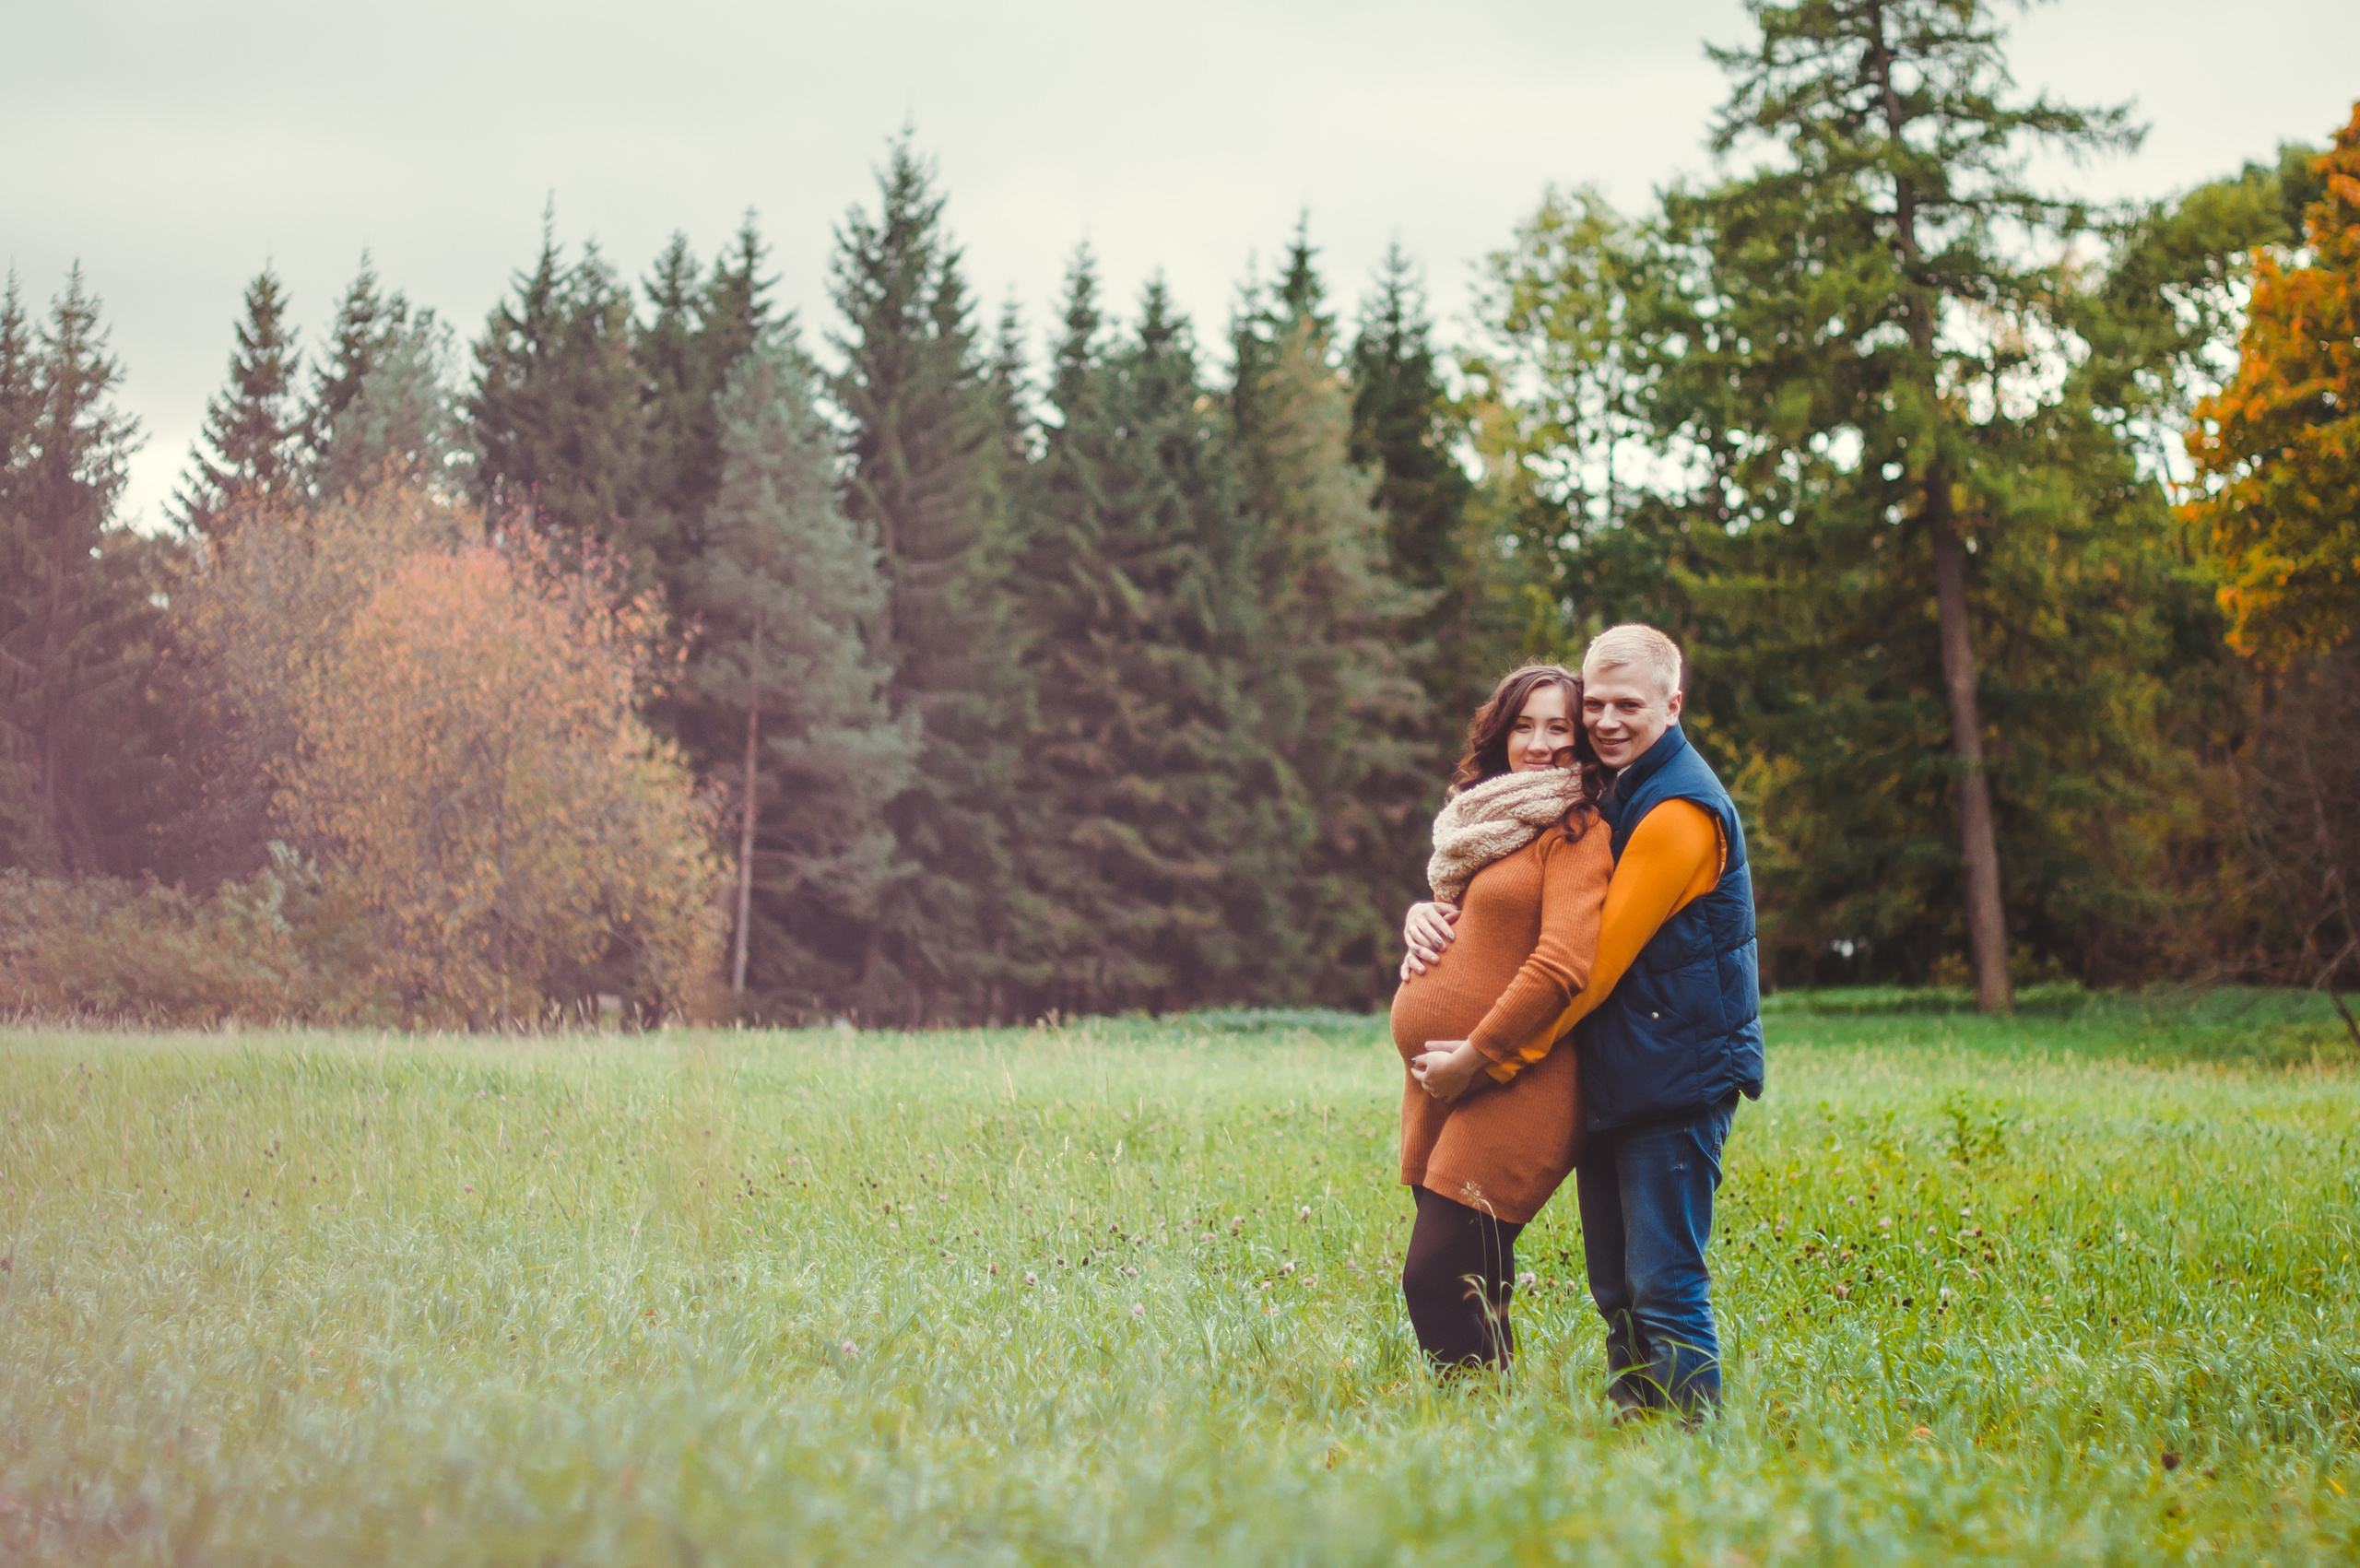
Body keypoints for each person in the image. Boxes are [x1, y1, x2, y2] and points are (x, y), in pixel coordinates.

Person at [1403, 623, 1762, 1416]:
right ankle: (1636, 1425)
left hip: (1676, 1075)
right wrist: (1426, 921)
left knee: (1664, 1282)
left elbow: (1587, 967)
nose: (1604, 720)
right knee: (1618, 1286)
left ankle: (1686, 1449)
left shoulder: (1677, 812)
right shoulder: (1617, 785)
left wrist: (1485, 1059)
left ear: (1673, 705)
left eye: (1626, 704)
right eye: (1593, 703)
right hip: (1618, 1070)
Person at [1389, 663, 1615, 1373]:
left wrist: (1472, 1057)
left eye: (1560, 727)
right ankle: (1489, 1446)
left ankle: (1480, 1429)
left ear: (1582, 741)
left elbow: (1561, 964)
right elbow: (1471, 918)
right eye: (1526, 724)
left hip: (1518, 1081)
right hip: (1448, 1083)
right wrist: (1419, 913)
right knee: (1475, 1280)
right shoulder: (1487, 822)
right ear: (1501, 732)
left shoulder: (1578, 829)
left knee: (1434, 1274)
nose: (1542, 742)